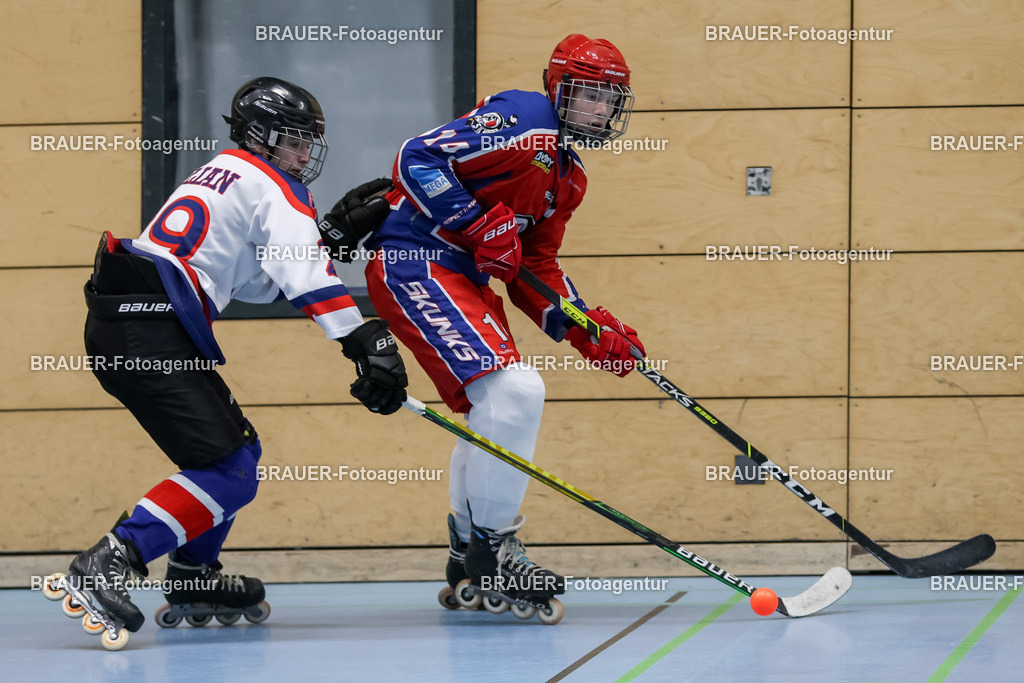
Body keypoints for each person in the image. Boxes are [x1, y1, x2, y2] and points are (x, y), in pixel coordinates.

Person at [47, 76, 408, 648]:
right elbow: (305, 278)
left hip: (133, 324)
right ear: (260, 136)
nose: (304, 153)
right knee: (229, 472)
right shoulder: (274, 184)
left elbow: (264, 282)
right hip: (149, 331)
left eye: (308, 141)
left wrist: (328, 238)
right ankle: (111, 560)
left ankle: (192, 576)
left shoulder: (225, 171)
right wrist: (362, 337)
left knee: (239, 454)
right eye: (293, 140)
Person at [353, 34, 645, 621]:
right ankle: (496, 547)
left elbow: (533, 270)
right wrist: (478, 222)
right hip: (416, 258)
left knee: (494, 406)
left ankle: (469, 553)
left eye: (607, 99)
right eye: (586, 94)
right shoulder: (523, 118)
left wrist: (588, 329)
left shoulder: (570, 179)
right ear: (556, 88)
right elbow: (417, 157)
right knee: (516, 391)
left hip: (464, 278)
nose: (597, 109)